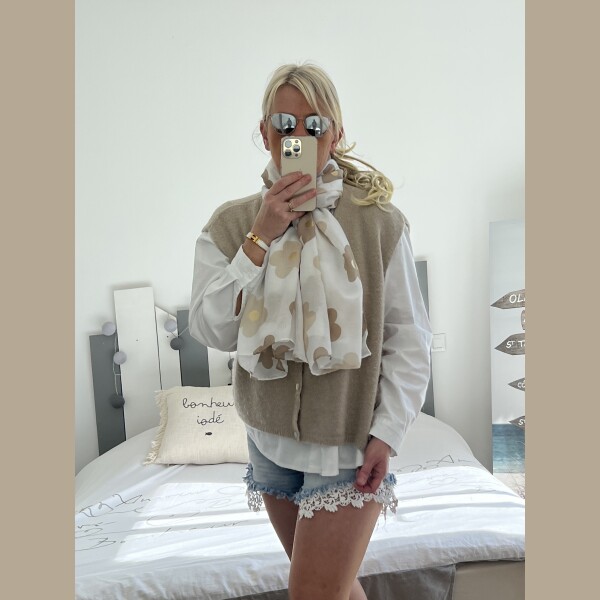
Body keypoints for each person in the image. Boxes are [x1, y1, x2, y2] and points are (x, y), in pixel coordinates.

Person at [189, 63, 432, 600]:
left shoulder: (379, 223)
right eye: (284, 124)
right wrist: (260, 237)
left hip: (347, 443)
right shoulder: (229, 225)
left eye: (314, 125)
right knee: (333, 590)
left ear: (336, 135)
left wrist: (388, 432)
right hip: (268, 441)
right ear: (264, 133)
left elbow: (408, 338)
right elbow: (211, 328)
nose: (297, 136)